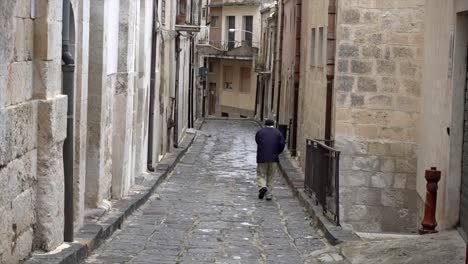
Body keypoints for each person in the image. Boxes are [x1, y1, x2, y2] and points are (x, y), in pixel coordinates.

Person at [255, 119, 285, 200]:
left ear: (265, 124)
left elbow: (257, 141)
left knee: (261, 174)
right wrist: (277, 152)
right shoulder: (278, 133)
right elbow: (282, 144)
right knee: (271, 176)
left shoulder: (260, 132)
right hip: (274, 158)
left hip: (262, 157)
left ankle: (262, 187)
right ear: (273, 124)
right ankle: (269, 194)